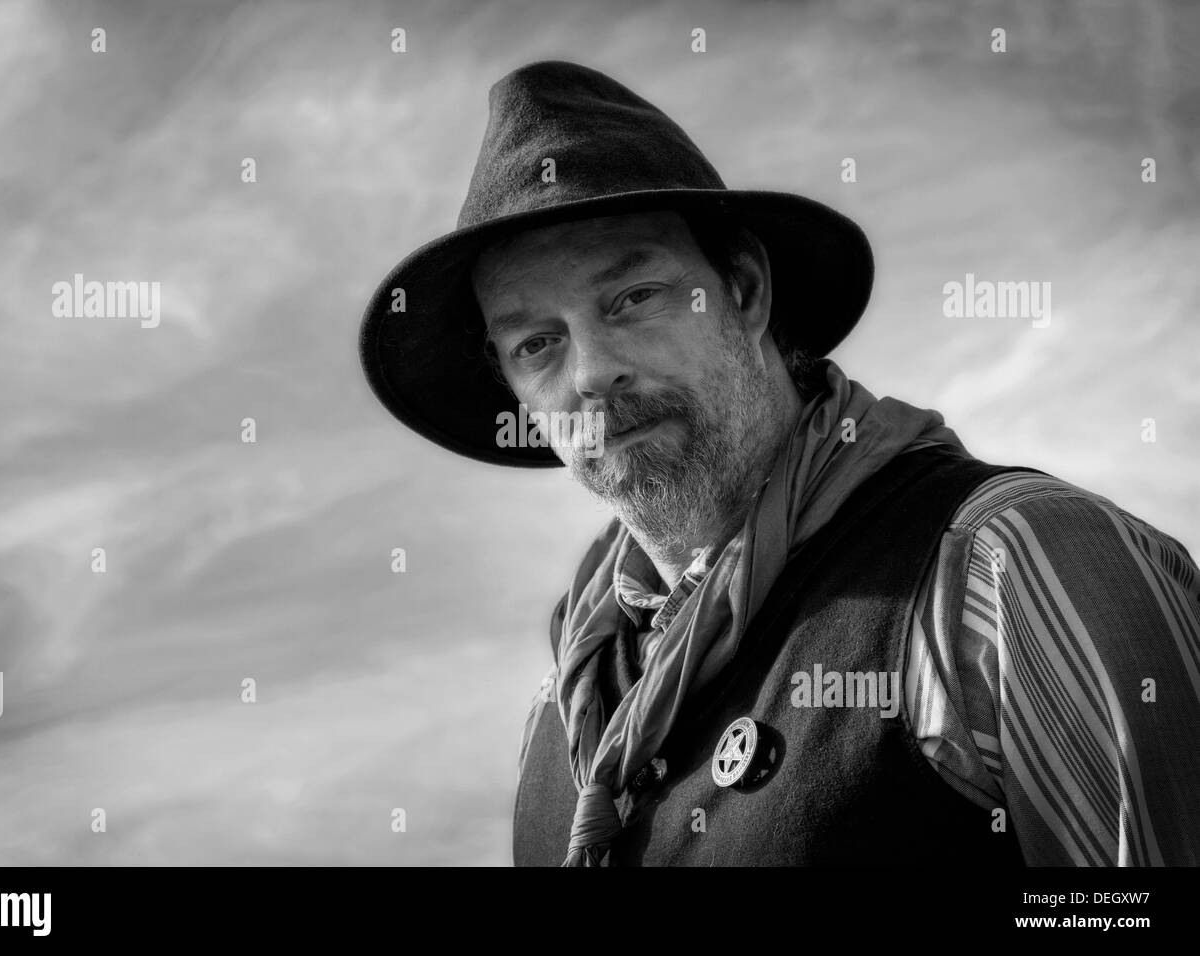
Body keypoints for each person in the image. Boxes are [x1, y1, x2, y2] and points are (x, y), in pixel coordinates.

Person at [358, 59, 1200, 866]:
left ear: (747, 291)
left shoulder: (1008, 566)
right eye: (537, 343)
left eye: (634, 298)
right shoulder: (559, 724)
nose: (589, 373)